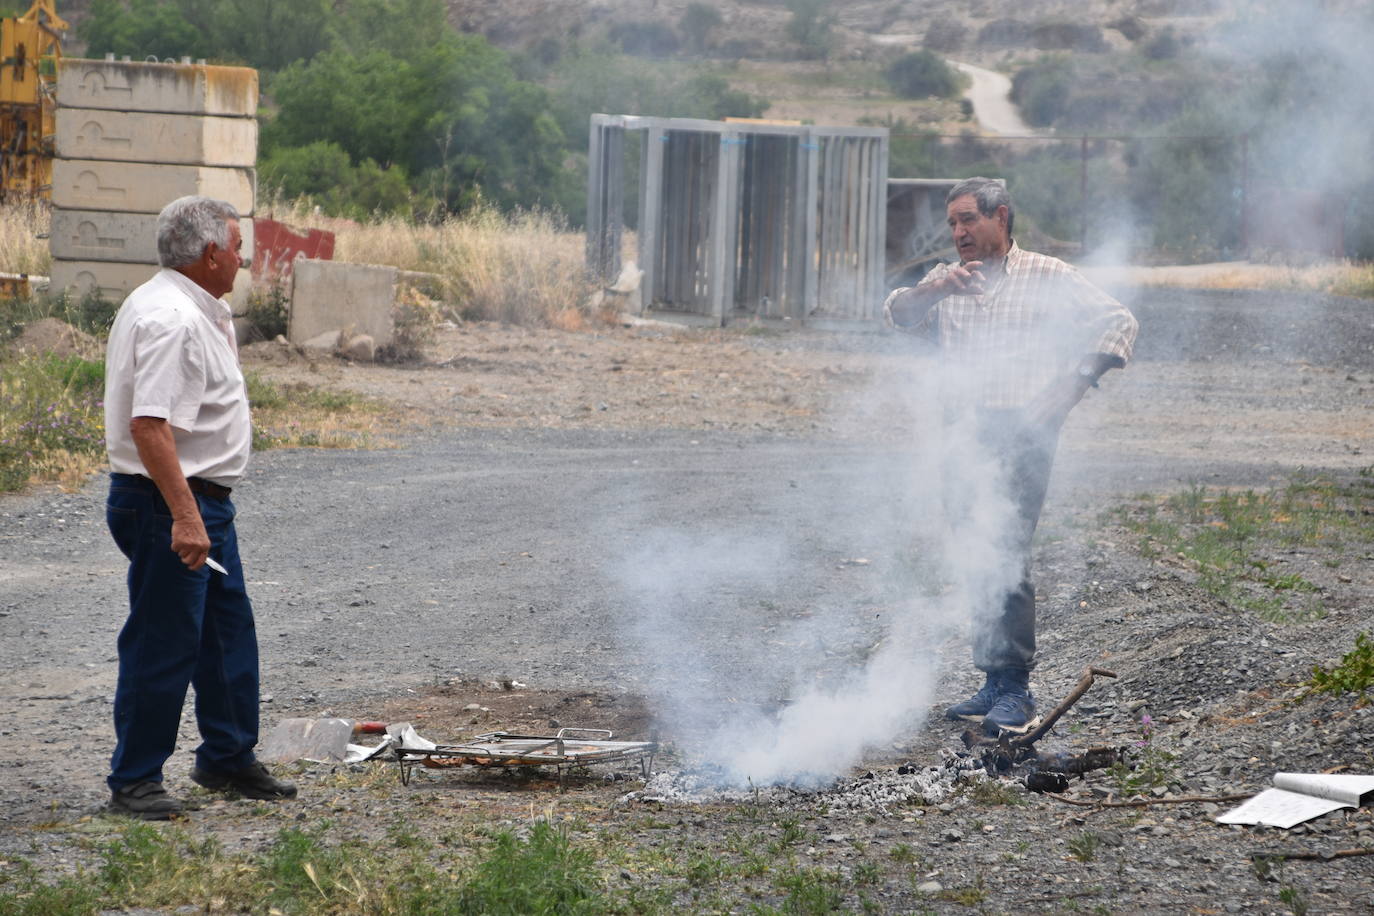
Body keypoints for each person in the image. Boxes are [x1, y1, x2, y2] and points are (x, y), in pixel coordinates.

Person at [885, 177, 1138, 735]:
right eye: (952, 223)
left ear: (1001, 217)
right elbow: (898, 313)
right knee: (976, 550)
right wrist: (936, 291)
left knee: (1007, 549)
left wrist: (1069, 388)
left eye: (968, 220)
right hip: (962, 434)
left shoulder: (1048, 275)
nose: (958, 233)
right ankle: (992, 678)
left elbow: (1120, 321)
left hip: (1022, 433)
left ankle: (1016, 689)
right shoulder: (949, 280)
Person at [103, 195, 295, 819]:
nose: (243, 259)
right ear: (211, 253)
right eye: (238, 248)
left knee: (226, 636)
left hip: (199, 502)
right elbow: (150, 425)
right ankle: (134, 779)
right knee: (164, 641)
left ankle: (227, 756)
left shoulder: (193, 308)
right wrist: (184, 516)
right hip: (169, 503)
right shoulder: (171, 319)